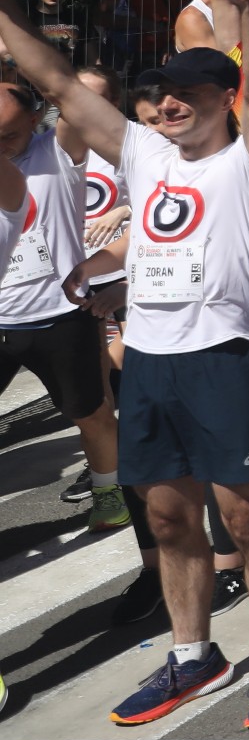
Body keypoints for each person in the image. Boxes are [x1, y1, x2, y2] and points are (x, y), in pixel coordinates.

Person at [0, 0, 249, 731]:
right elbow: (58, 82)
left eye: (184, 94)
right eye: (156, 96)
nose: (166, 106)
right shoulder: (143, 151)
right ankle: (191, 654)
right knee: (168, 517)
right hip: (148, 361)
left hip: (220, 358)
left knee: (245, 518)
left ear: (222, 96)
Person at [0, 65, 126, 534]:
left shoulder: (58, 152)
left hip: (60, 319)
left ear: (35, 120)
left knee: (91, 413)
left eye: (10, 135)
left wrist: (15, 45)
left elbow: (74, 94)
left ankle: (109, 489)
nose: (2, 146)